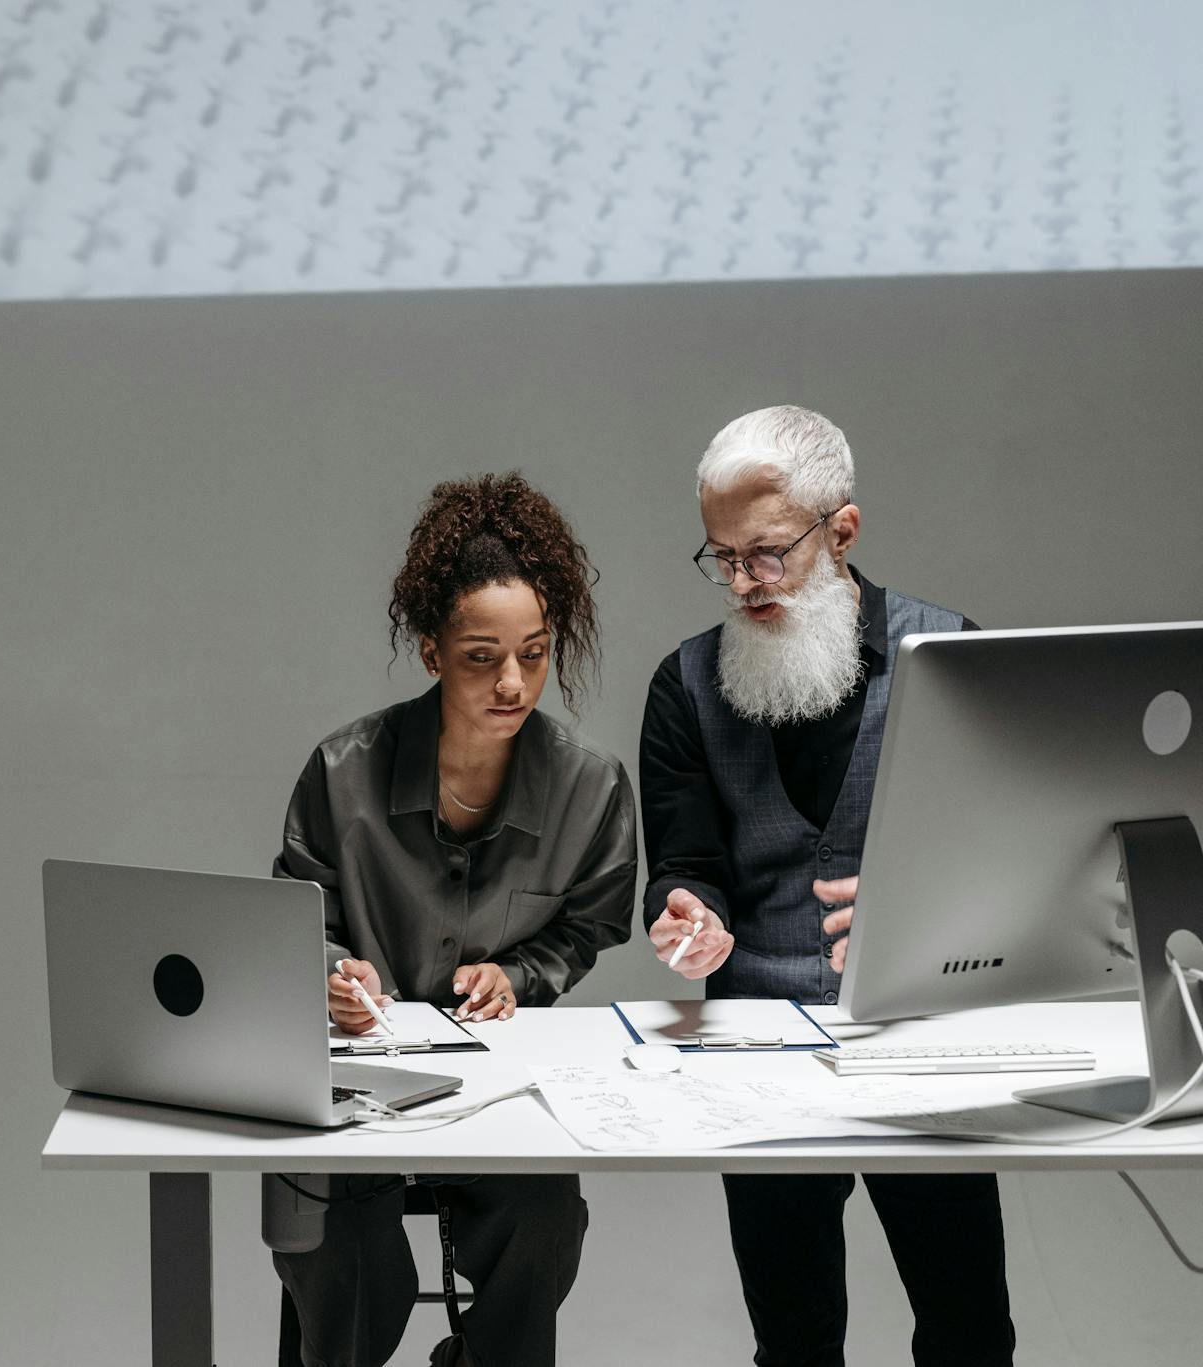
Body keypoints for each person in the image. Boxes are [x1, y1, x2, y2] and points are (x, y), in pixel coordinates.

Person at [641, 405, 1014, 1367]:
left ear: (840, 531)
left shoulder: (954, 658)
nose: (741, 583)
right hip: (753, 1044)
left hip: (918, 1038)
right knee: (794, 1341)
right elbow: (685, 866)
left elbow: (1012, 867)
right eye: (720, 557)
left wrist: (930, 916)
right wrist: (689, 917)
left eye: (764, 554)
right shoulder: (683, 685)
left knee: (970, 1332)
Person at [271, 472, 638, 1367]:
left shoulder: (590, 788)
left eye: (536, 651)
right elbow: (293, 916)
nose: (514, 682)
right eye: (482, 656)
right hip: (354, 1088)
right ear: (433, 651)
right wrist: (332, 978)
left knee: (542, 1222)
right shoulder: (343, 772)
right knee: (339, 1255)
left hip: (500, 1090)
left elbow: (586, 925)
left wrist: (520, 975)